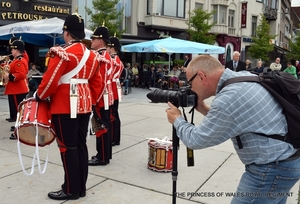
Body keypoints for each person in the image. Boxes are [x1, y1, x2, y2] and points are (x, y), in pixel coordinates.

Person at [165, 55, 300, 204]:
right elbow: (231, 120)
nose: (190, 88)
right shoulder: (244, 77)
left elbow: (196, 140)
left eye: (190, 82)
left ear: (202, 76)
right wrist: (202, 108)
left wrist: (177, 120)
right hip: (286, 162)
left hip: (270, 170)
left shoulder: (229, 97)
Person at [35, 13, 102, 200]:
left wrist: (40, 96)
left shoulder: (63, 52)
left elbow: (50, 81)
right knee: (80, 146)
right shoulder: (92, 55)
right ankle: (80, 187)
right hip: (84, 105)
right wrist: (91, 102)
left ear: (66, 32)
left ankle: (71, 189)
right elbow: (97, 84)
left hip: (64, 105)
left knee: (67, 147)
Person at [88, 25, 113, 166]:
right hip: (104, 97)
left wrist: (93, 100)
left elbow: (100, 82)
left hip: (100, 98)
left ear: (100, 41)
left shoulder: (101, 56)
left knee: (100, 127)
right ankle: (105, 155)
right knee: (103, 126)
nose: (92, 41)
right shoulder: (104, 55)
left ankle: (102, 157)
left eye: (94, 39)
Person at [3, 40, 29, 139]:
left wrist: (8, 76)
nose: (11, 50)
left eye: (13, 49)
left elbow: (21, 74)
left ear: (16, 50)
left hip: (17, 90)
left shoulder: (19, 61)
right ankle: (18, 127)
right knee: (18, 111)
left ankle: (19, 131)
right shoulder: (16, 60)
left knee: (19, 111)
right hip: (16, 90)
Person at [107, 35, 124, 146]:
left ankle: (113, 138)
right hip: (115, 87)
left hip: (111, 87)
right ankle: (115, 137)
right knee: (115, 114)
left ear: (112, 48)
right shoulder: (118, 60)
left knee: (112, 115)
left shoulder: (112, 60)